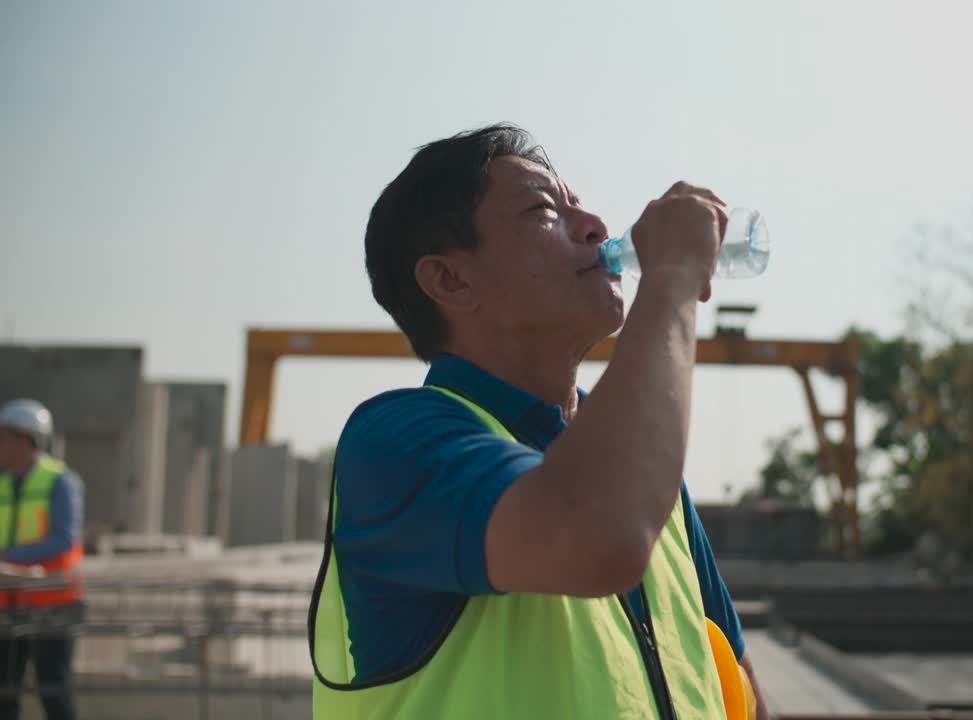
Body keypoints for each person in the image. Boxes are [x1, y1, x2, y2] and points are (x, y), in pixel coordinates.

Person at [308, 124, 770, 719]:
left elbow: (738, 685)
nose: (596, 226)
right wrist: (673, 276)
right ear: (449, 279)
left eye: (579, 204)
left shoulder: (640, 474)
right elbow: (600, 534)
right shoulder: (398, 443)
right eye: (544, 210)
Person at [0, 399, 84, 720]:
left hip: (54, 604)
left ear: (24, 440)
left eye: (3, 437)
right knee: (4, 695)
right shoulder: (3, 483)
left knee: (54, 691)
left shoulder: (60, 482)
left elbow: (63, 539)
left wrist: (9, 558)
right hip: (9, 604)